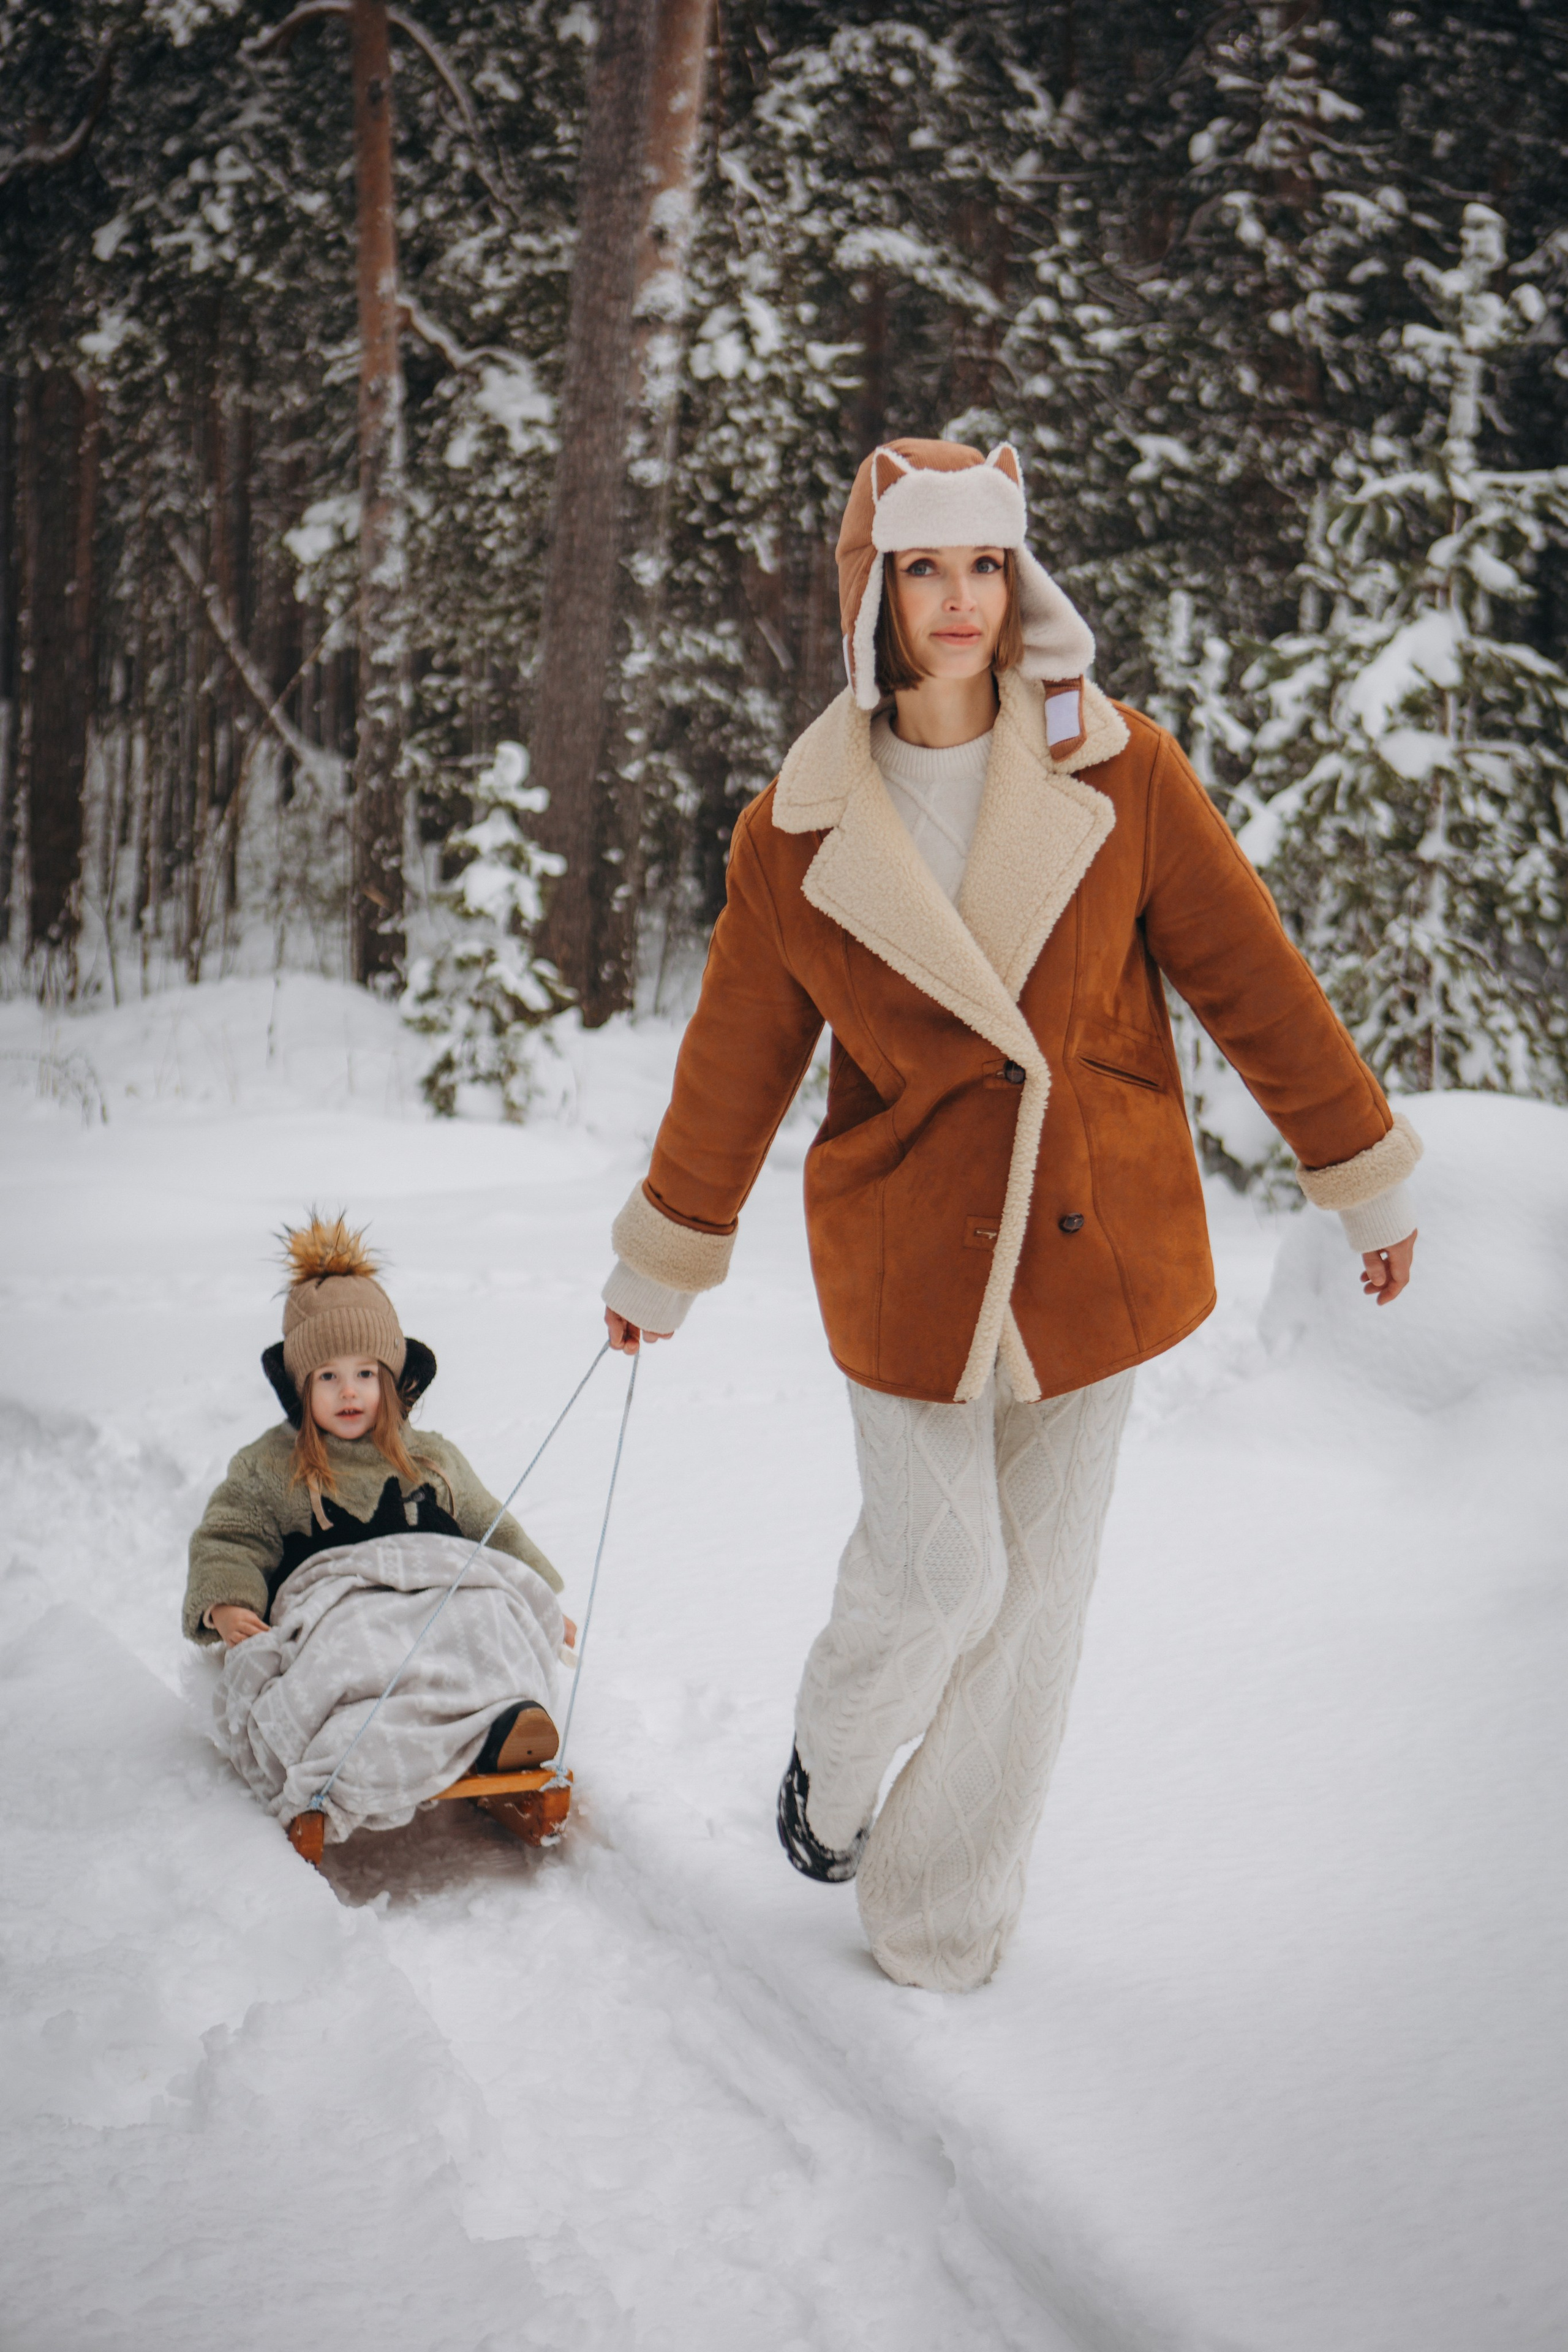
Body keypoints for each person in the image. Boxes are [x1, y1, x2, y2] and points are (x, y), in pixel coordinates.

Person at [600, 437, 1421, 1994]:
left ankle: (935, 1923)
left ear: (1017, 577)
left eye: (985, 563)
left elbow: (1248, 975)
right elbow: (735, 1056)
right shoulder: (799, 822)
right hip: (908, 1250)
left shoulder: (1117, 767)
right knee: (935, 1572)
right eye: (924, 567)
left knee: (1034, 1611)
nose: (961, 599)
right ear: (874, 593)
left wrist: (1355, 1173)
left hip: (1087, 1243)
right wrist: (665, 1255)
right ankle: (827, 1784)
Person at [186, 1215, 573, 1810]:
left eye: (365, 1374)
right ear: (300, 1384)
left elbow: (488, 1526)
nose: (349, 1392)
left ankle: (503, 1725)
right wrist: (228, 1603)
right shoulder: (269, 1465)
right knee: (357, 1647)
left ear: (391, 1380)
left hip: (440, 1593)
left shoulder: (431, 1457)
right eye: (329, 1376)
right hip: (341, 1606)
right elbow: (231, 1537)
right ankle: (356, 1745)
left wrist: (541, 1596)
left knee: (488, 1616)